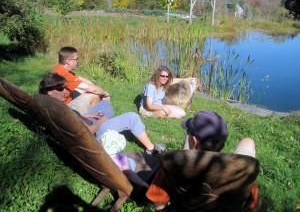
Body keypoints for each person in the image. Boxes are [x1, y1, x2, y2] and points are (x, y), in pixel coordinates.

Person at [146, 110, 260, 211]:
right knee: (248, 142)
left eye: (188, 133)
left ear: (194, 141)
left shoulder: (172, 166)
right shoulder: (241, 170)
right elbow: (252, 205)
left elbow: (159, 205)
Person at [38, 73, 166, 156]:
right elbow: (85, 131)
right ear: (50, 92)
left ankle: (115, 125)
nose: (66, 91)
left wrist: (88, 116)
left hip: (87, 122)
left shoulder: (51, 105)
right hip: (94, 133)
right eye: (61, 89)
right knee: (132, 117)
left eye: (65, 88)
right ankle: (151, 148)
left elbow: (75, 117)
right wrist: (100, 122)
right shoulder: (60, 111)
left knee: (105, 106)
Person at [52, 46, 110, 114]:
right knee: (94, 96)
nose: (78, 61)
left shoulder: (59, 68)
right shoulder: (64, 74)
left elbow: (82, 79)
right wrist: (105, 93)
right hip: (64, 110)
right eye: (76, 59)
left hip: (59, 104)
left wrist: (96, 88)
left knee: (88, 90)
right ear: (68, 61)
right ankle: (91, 121)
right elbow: (92, 89)